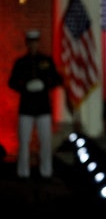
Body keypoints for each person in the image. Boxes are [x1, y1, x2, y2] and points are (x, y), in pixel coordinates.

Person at [9, 29, 63, 181]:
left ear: (38, 43)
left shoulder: (46, 60)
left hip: (43, 107)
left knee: (45, 142)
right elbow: (12, 82)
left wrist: (44, 84)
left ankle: (46, 172)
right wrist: (24, 86)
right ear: (27, 43)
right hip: (26, 108)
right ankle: (23, 173)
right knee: (24, 142)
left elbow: (57, 79)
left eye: (35, 42)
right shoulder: (20, 63)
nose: (33, 45)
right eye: (30, 42)